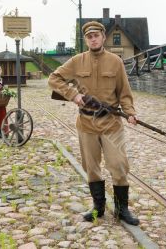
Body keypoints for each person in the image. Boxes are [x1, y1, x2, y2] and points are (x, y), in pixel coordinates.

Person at [48, 21, 139, 225]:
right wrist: (73, 95)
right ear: (86, 40)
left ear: (103, 37)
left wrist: (130, 112)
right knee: (91, 167)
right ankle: (98, 207)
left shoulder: (116, 62)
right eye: (89, 37)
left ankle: (121, 209)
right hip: (86, 123)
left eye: (96, 35)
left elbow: (124, 93)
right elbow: (54, 79)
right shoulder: (76, 61)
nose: (93, 39)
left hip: (111, 123)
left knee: (118, 165)